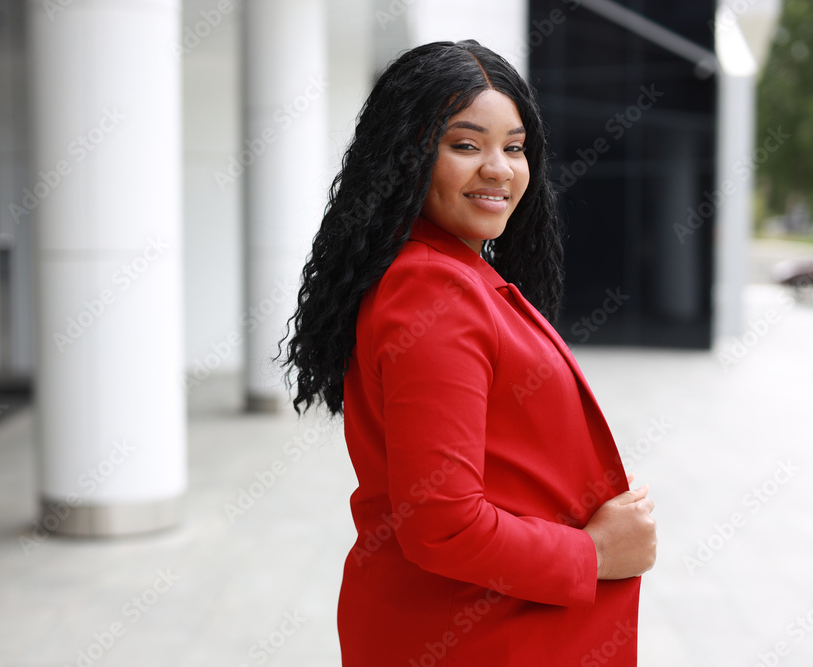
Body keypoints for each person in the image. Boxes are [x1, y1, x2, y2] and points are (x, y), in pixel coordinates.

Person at [281, 40, 657, 665]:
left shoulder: (447, 272)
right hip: (475, 636)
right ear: (407, 158)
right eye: (465, 144)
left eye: (514, 147)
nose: (500, 169)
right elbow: (443, 524)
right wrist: (594, 555)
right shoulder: (433, 289)